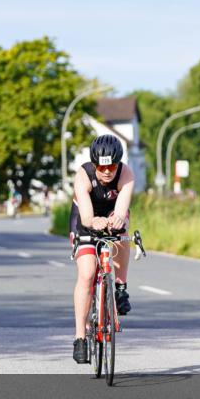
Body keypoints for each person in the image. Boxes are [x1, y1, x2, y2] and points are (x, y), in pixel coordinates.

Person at [70, 134, 135, 364]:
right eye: (102, 166)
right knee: (87, 273)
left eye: (112, 166)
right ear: (94, 164)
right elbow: (86, 216)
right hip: (85, 216)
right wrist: (93, 222)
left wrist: (117, 221)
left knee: (123, 233)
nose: (107, 171)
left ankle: (120, 287)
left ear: (118, 164)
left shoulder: (126, 174)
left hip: (111, 212)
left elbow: (122, 208)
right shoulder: (83, 175)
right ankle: (80, 337)